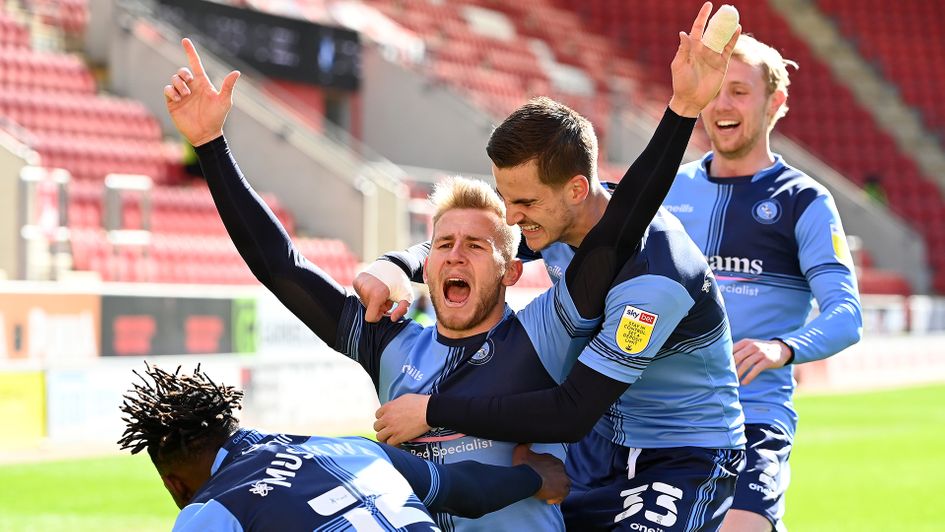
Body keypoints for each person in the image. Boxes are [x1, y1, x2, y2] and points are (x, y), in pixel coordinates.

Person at [161, 9, 720, 527]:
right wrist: (212, 145)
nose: (454, 254)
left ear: (512, 269)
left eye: (477, 246)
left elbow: (615, 237)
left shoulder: (549, 333)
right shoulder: (390, 345)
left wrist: (680, 113)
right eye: (442, 243)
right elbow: (279, 267)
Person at [367, 5, 746, 531]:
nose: (510, 216)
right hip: (597, 448)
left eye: (522, 202)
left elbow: (571, 410)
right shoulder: (554, 221)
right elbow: (483, 243)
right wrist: (397, 264)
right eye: (505, 198)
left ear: (575, 189)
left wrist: (432, 411)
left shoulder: (655, 278)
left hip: (679, 454)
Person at [661, 35, 862, 531]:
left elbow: (846, 314)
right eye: (716, 91)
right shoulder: (667, 188)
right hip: (661, 417)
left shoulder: (803, 201)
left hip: (752, 416)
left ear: (776, 104)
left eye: (740, 91)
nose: (722, 105)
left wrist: (782, 348)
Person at [117, 363, 570, 531]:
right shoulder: (348, 447)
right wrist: (534, 476)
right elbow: (464, 492)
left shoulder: (206, 513)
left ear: (176, 486)